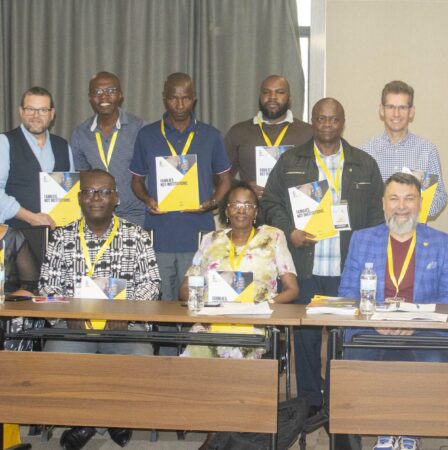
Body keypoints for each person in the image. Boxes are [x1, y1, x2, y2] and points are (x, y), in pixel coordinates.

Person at [261, 97, 384, 418]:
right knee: (305, 337)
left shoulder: (364, 163)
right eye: (321, 119)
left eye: (334, 119)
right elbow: (271, 202)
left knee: (345, 335)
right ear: (312, 121)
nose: (327, 125)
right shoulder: (290, 161)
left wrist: (364, 250)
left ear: (343, 122)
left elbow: (375, 215)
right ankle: (310, 400)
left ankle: (339, 397)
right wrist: (290, 231)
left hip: (346, 266)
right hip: (306, 263)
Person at [337, 172, 448, 450]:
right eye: (394, 198)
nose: (402, 206)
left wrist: (417, 323)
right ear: (383, 203)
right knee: (355, 364)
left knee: (429, 360)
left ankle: (407, 432)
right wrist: (374, 323)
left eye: (409, 198)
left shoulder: (441, 242)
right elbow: (346, 294)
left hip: (425, 330)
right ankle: (385, 430)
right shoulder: (362, 239)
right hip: (371, 329)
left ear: (420, 203)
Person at [38, 169, 160, 450]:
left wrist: (124, 313)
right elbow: (47, 287)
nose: (96, 198)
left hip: (123, 326)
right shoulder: (62, 237)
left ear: (116, 198)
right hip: (74, 327)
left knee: (140, 358)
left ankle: (90, 423)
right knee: (55, 360)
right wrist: (71, 315)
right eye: (90, 192)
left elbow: (152, 285)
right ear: (79, 198)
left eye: (104, 192)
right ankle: (105, 420)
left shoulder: (137, 236)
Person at [130, 72, 232, 302]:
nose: (179, 104)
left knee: (195, 299)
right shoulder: (147, 135)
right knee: (162, 302)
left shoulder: (211, 135)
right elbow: (136, 182)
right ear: (164, 98)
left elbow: (226, 179)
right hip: (159, 232)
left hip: (198, 233)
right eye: (173, 98)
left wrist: (212, 202)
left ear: (194, 99)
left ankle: (190, 339)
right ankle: (164, 341)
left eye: (185, 98)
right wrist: (148, 200)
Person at [178, 181, 299, 358]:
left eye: (248, 205)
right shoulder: (210, 239)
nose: (241, 210)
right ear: (226, 211)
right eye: (235, 205)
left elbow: (292, 290)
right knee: (196, 355)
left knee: (239, 357)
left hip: (254, 322)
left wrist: (264, 306)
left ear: (256, 211)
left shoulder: (273, 237)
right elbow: (184, 289)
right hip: (212, 321)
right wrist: (203, 306)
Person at [361, 80, 448, 219]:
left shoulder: (427, 150)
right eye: (390, 107)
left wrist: (413, 211)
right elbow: (361, 197)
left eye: (402, 107)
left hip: (415, 233)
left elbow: (440, 196)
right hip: (378, 233)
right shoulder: (366, 151)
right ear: (381, 110)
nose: (396, 114)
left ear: (411, 112)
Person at [71, 71, 146, 226]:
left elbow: (149, 172)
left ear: (120, 95)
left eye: (111, 91)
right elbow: (81, 177)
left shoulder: (139, 128)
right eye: (97, 92)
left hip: (135, 215)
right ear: (90, 97)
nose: (104, 96)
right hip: (96, 216)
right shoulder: (80, 133)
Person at [225, 75, 313, 197]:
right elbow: (220, 176)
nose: (272, 97)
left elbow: (320, 175)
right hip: (252, 212)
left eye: (280, 92)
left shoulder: (308, 133)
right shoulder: (239, 132)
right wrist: (244, 187)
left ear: (290, 98)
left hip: (291, 212)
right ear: (260, 97)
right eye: (266, 92)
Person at [0, 86, 74, 228]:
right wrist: (30, 217)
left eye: (43, 110)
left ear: (52, 114)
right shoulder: (4, 142)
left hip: (56, 235)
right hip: (16, 236)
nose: (36, 115)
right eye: (30, 109)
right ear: (21, 111)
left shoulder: (63, 146)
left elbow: (69, 192)